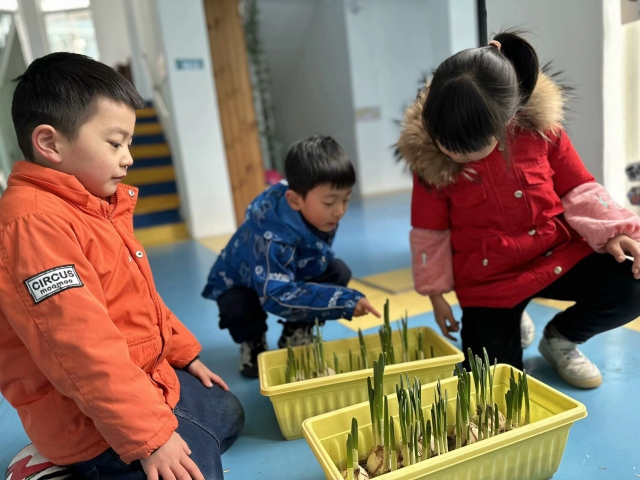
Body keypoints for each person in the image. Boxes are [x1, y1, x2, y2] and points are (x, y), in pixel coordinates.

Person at [0, 52, 244, 480]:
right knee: (196, 465)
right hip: (83, 418)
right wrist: (152, 438)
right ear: (50, 143)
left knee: (226, 410)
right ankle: (57, 466)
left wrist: (184, 356)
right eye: (115, 144)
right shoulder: (34, 225)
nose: (128, 157)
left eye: (128, 144)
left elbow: (140, 301)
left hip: (135, 383)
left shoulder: (93, 207)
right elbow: (81, 349)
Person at [397, 32, 640, 389]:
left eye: (468, 149)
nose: (454, 155)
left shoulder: (541, 132)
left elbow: (579, 188)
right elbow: (429, 235)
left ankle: (561, 338)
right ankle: (512, 319)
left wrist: (616, 231)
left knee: (633, 279)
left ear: (505, 121)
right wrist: (436, 296)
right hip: (490, 281)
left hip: (554, 256)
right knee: (491, 385)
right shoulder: (431, 161)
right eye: (445, 145)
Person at [202, 136, 380, 378]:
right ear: (294, 199)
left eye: (346, 199)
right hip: (244, 285)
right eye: (330, 202)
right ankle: (253, 341)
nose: (340, 211)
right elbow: (277, 295)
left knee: (338, 271)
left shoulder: (322, 215)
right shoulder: (269, 237)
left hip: (287, 274)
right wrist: (343, 301)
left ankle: (297, 332)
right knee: (238, 307)